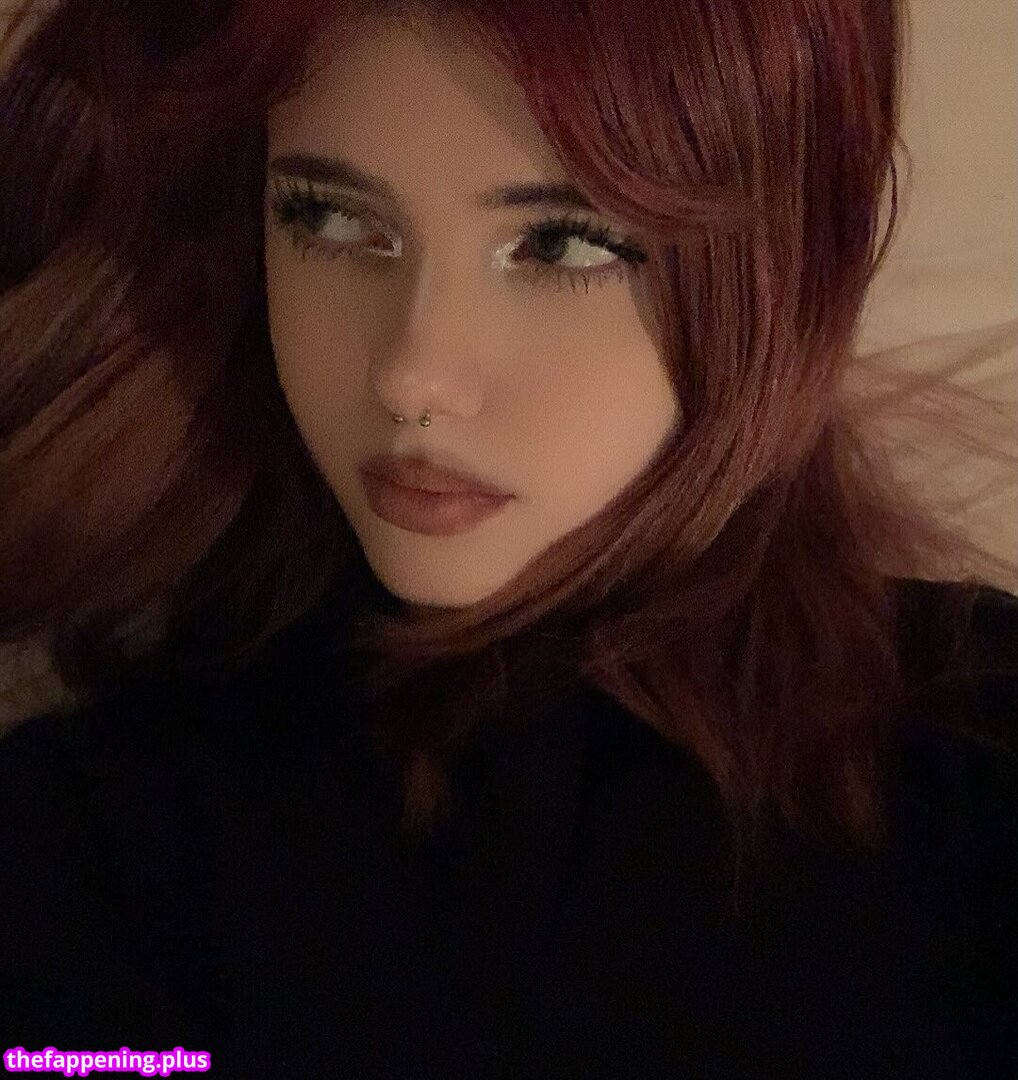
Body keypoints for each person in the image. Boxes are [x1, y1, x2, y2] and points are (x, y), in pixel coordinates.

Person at [0, 0, 1015, 1076]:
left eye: (560, 242)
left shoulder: (975, 763)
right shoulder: (89, 848)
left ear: (782, 267)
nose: (412, 374)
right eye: (330, 219)